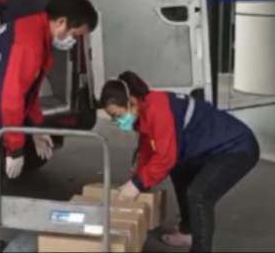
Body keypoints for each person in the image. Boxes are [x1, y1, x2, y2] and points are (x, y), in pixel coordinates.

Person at [0, 0, 98, 253]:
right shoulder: (29, 43)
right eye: (75, 34)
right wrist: (15, 148)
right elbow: (11, 98)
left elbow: (28, 91)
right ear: (61, 22)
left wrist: (35, 129)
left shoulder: (36, 31)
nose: (73, 41)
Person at [100, 71, 260, 253]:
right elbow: (148, 149)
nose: (116, 121)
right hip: (208, 148)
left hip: (236, 148)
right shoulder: (146, 109)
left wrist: (137, 184)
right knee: (179, 169)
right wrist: (136, 177)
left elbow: (165, 159)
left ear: (132, 102)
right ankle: (188, 232)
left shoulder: (157, 110)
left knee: (199, 195)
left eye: (117, 115)